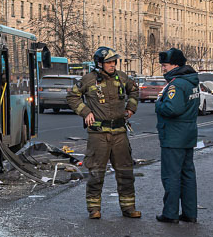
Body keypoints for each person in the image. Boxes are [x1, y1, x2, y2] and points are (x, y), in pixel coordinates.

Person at [66, 46, 141, 219]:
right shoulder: (89, 80)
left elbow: (134, 91)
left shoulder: (122, 78)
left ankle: (128, 208)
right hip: (98, 135)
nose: (112, 65)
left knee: (125, 172)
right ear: (99, 63)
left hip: (120, 133)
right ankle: (94, 209)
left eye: (114, 62)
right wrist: (86, 112)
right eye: (108, 62)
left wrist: (131, 108)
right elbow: (72, 97)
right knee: (96, 172)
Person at [154, 48, 200, 224]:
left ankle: (170, 213)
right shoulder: (191, 81)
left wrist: (158, 105)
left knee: (171, 175)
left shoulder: (176, 84)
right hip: (188, 134)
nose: (163, 68)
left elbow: (172, 109)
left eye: (165, 65)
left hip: (173, 136)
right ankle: (190, 213)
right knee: (187, 174)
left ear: (175, 65)